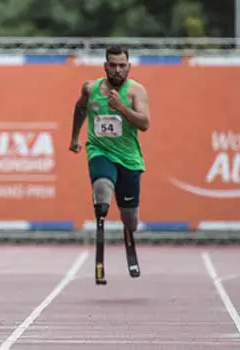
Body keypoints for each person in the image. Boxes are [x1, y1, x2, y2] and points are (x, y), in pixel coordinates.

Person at [69, 45, 150, 284]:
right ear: (105, 66)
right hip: (99, 151)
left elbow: (145, 123)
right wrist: (75, 137)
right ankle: (101, 225)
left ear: (129, 67)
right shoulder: (91, 88)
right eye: (112, 65)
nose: (117, 70)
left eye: (121, 66)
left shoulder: (136, 91)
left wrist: (121, 108)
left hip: (129, 159)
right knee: (102, 190)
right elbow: (80, 108)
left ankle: (127, 232)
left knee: (131, 220)